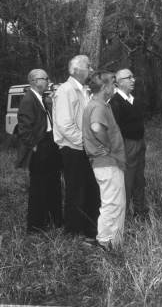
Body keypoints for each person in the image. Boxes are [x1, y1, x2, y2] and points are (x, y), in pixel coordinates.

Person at [52, 55, 100, 242]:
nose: (91, 69)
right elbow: (65, 125)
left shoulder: (83, 91)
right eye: (88, 66)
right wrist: (85, 142)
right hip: (73, 149)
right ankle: (73, 232)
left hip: (85, 148)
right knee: (76, 190)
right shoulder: (66, 90)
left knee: (90, 189)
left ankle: (90, 229)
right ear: (76, 70)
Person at [83, 71, 126, 251]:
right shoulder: (98, 106)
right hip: (106, 161)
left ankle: (111, 240)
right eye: (113, 84)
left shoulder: (98, 104)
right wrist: (107, 145)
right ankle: (106, 242)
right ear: (104, 87)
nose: (114, 87)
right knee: (112, 203)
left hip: (106, 162)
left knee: (113, 202)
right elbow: (96, 127)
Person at [15, 68, 62, 232]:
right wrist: (34, 147)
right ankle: (35, 226)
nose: (48, 80)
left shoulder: (41, 98)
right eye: (45, 78)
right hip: (40, 148)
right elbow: (23, 129)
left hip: (50, 144)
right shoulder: (28, 100)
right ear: (34, 81)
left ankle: (52, 219)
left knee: (52, 184)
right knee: (39, 187)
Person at [110, 68, 148, 219]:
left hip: (140, 143)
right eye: (129, 77)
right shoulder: (115, 102)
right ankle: (123, 218)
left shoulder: (134, 100)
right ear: (118, 82)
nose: (133, 80)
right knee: (127, 181)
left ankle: (141, 212)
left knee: (140, 179)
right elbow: (115, 129)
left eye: (133, 76)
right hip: (126, 145)